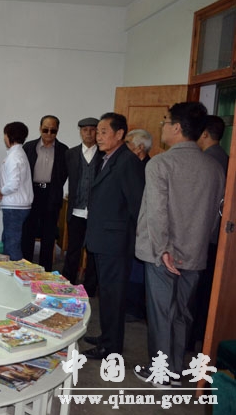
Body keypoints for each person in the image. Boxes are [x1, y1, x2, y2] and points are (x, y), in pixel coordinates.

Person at [135, 102, 224, 387]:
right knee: (183, 313)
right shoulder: (214, 167)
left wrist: (163, 249)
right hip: (195, 252)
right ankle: (174, 369)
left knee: (161, 313)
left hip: (163, 254)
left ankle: (162, 372)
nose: (162, 126)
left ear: (176, 127)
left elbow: (157, 212)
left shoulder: (160, 163)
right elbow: (215, 215)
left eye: (165, 121)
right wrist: (198, 243)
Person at [83, 112, 145, 359]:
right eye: (97, 132)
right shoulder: (109, 158)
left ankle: (111, 347)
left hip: (115, 242)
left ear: (119, 134)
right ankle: (107, 336)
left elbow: (137, 205)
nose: (98, 137)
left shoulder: (128, 162)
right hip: (103, 239)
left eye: (103, 132)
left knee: (114, 296)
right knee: (107, 295)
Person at [190, 115, 229, 348]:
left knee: (199, 292)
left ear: (204, 133)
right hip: (214, 236)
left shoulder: (209, 161)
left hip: (206, 236)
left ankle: (193, 337)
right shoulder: (223, 157)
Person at [22, 115, 68, 271]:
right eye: (45, 130)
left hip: (51, 194)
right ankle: (26, 268)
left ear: (57, 130)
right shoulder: (29, 147)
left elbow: (63, 175)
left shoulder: (64, 150)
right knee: (28, 232)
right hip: (32, 193)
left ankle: (45, 271)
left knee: (48, 235)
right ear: (40, 128)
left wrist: (54, 188)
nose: (49, 133)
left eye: (53, 131)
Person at [62, 117, 102, 294]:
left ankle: (90, 287)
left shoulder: (104, 154)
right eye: (85, 130)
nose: (89, 133)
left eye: (92, 130)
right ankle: (68, 282)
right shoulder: (71, 154)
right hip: (76, 210)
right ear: (80, 132)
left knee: (93, 250)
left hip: (96, 211)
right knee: (73, 249)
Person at [124, 128, 153, 323]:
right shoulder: (131, 165)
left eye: (128, 143)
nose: (125, 146)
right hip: (129, 225)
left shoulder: (150, 168)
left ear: (140, 148)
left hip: (143, 227)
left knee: (138, 268)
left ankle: (135, 308)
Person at [0, 121, 33, 260]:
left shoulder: (14, 156)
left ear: (9, 135)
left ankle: (15, 270)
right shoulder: (18, 153)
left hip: (15, 207)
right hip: (18, 205)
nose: (4, 138)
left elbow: (13, 184)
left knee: (11, 245)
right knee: (9, 241)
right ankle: (10, 269)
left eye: (5, 134)